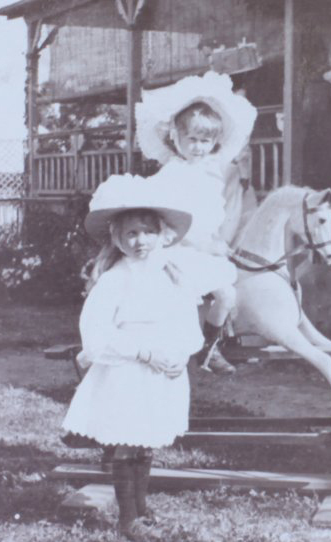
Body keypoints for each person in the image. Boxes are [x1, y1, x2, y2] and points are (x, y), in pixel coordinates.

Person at [62, 173, 234, 541]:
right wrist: (144, 352)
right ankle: (128, 518)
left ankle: (141, 507)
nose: (140, 241)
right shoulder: (114, 279)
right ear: (117, 239)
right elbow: (95, 333)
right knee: (127, 438)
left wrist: (182, 353)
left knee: (145, 438)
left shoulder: (172, 274)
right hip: (129, 369)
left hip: (163, 369)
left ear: (162, 235)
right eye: (131, 234)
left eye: (148, 232)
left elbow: (187, 321)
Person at [135, 71, 257, 374]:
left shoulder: (210, 172)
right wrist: (205, 244)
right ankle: (177, 349)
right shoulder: (172, 174)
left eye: (206, 141)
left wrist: (217, 243)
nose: (199, 147)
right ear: (175, 137)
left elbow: (211, 216)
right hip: (175, 248)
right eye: (192, 140)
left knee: (228, 294)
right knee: (187, 295)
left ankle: (209, 347)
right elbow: (172, 221)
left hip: (203, 250)